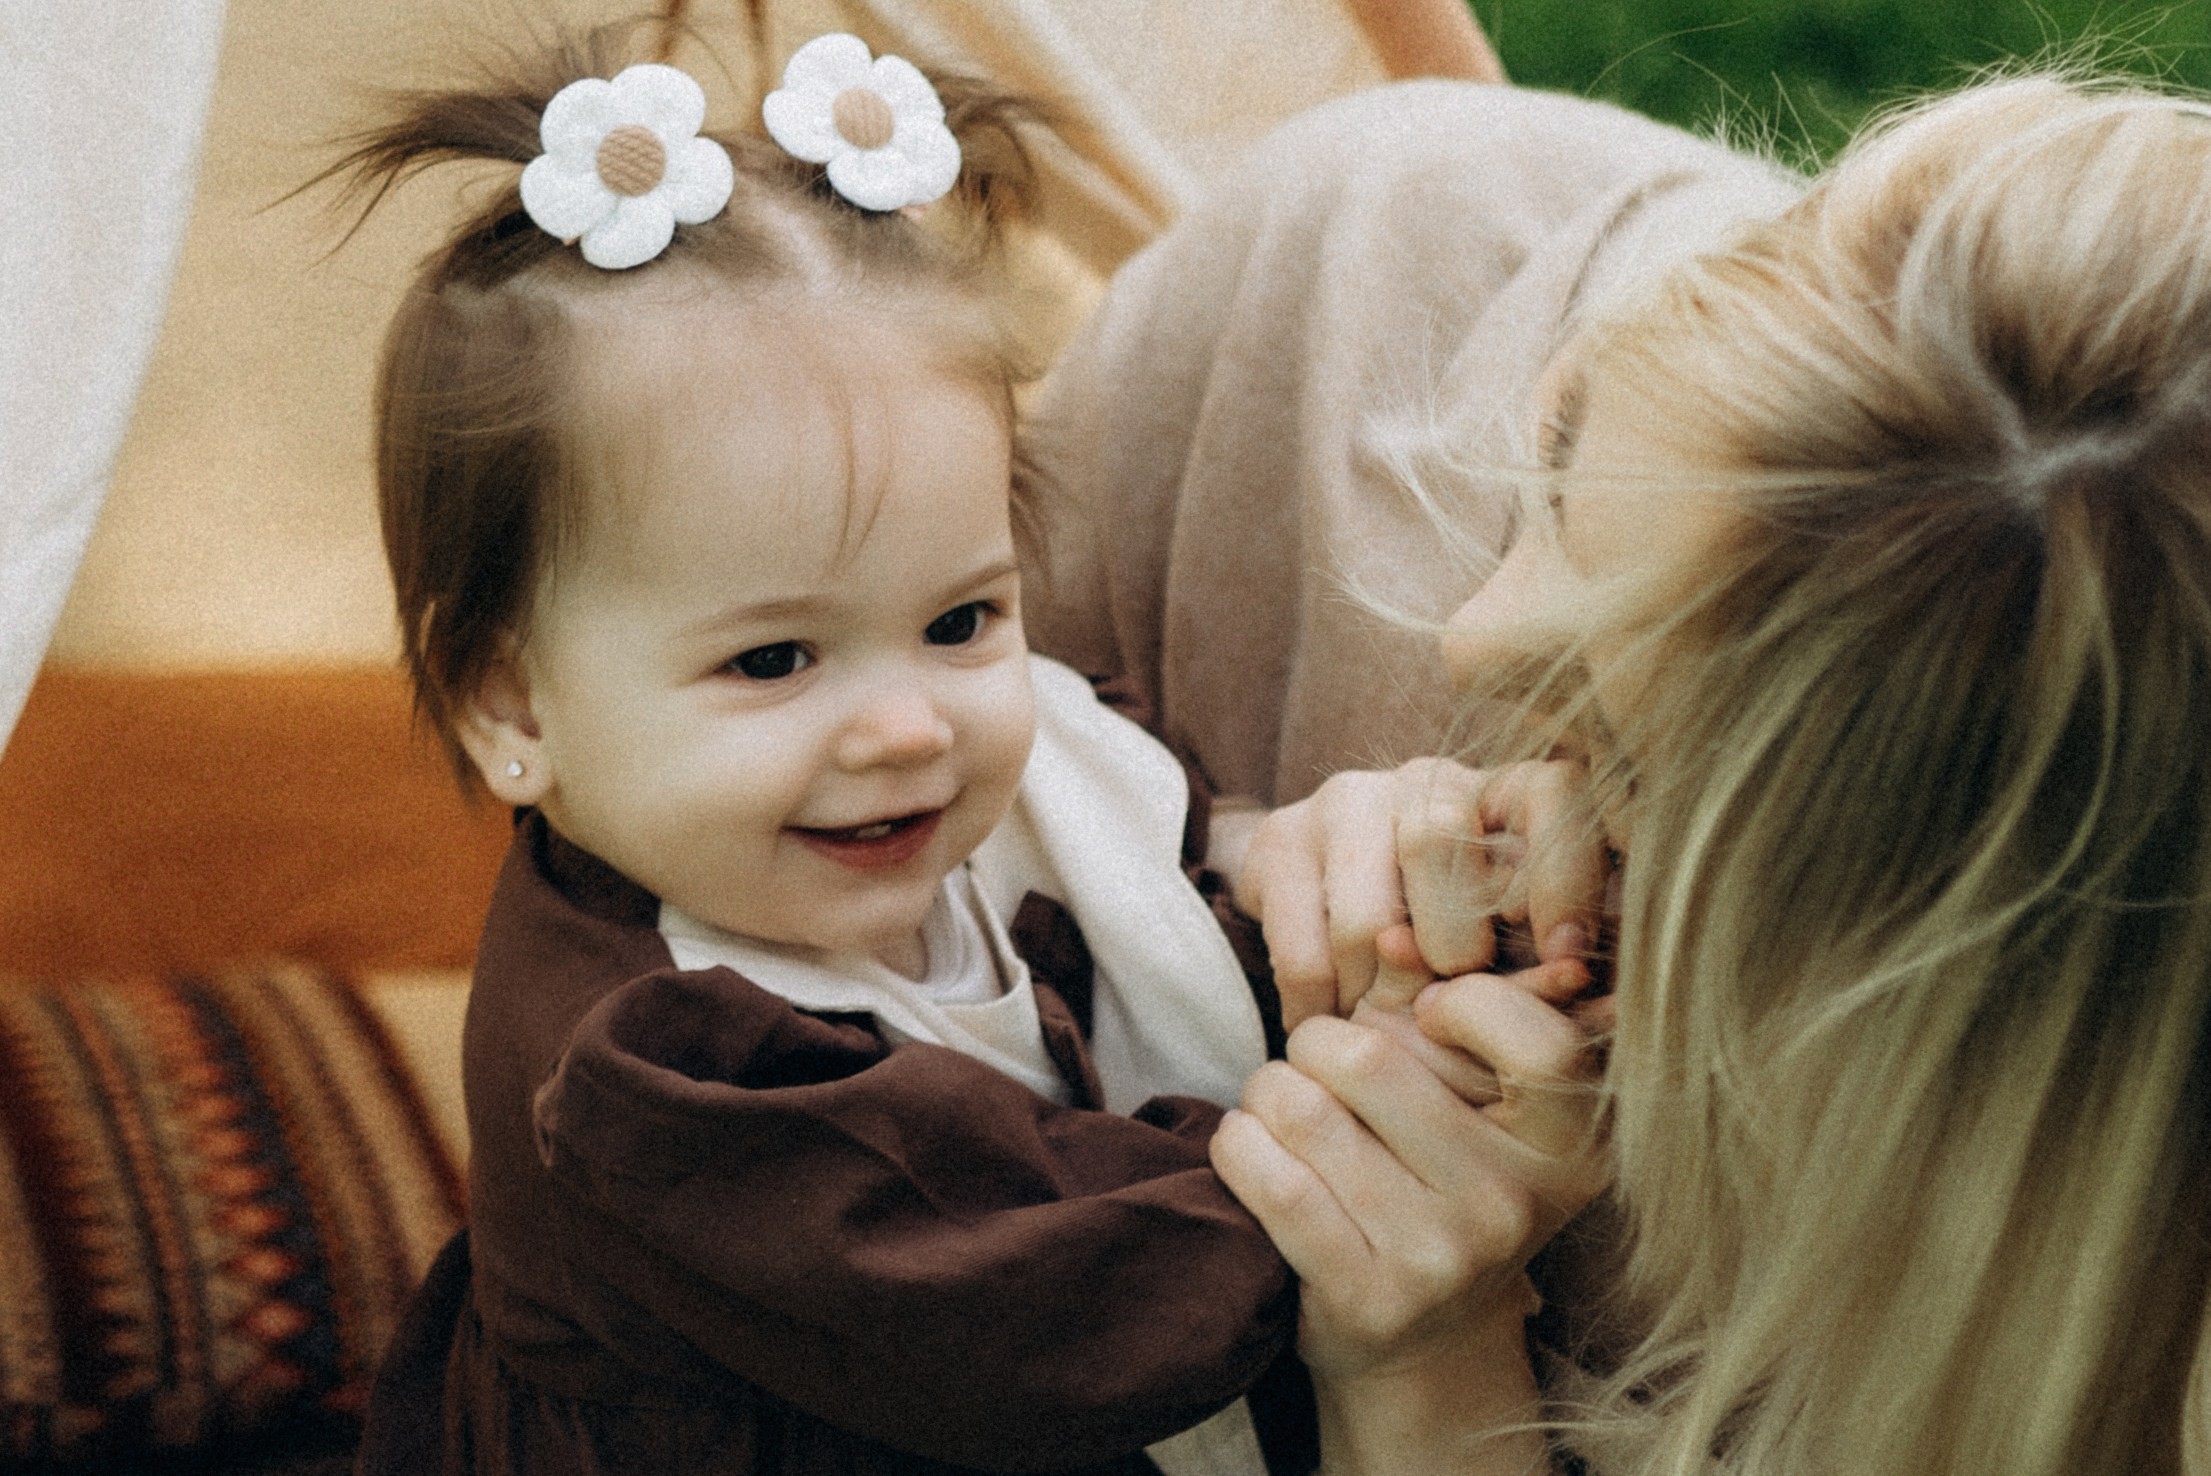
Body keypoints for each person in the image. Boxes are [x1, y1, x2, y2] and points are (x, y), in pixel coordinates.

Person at [1099, 74, 2211, 1476]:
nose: (1468, 640)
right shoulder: (1391, 259)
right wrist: (1180, 844)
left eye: (1621, 749)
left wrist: (1428, 1386)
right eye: (1559, 459)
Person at [330, 29, 1337, 1476]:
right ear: (517, 713)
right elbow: (1063, 1297)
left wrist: (1295, 898)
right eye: (773, 659)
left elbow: (1167, 882)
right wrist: (1370, 1142)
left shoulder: (1021, 766)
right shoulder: (652, 1074)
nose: (908, 724)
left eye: (959, 617)